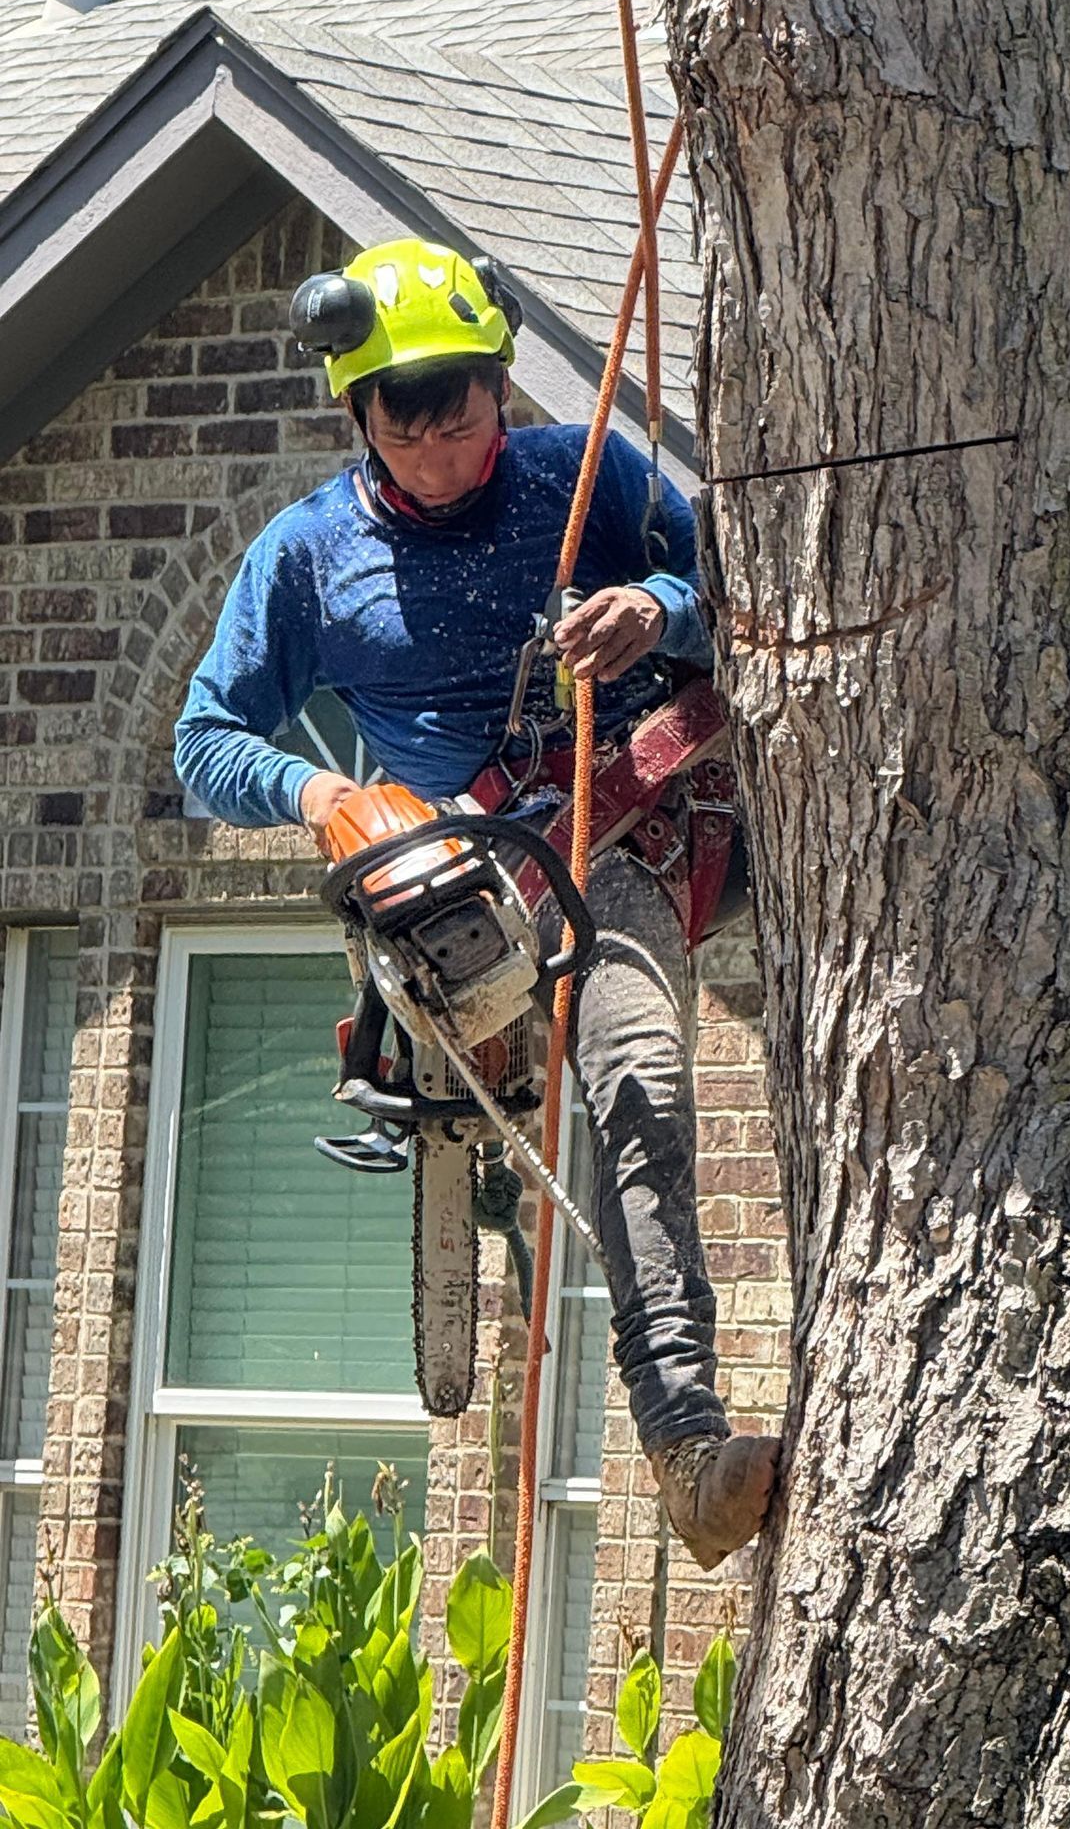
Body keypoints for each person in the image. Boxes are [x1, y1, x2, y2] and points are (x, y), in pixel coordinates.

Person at [174, 237, 779, 1569]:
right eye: (411, 402)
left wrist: (655, 610)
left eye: (467, 389)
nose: (446, 424)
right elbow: (206, 739)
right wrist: (325, 794)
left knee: (638, 1080)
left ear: (503, 381)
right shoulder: (311, 557)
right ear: (357, 407)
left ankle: (682, 1444)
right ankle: (441, 1063)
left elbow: (745, 594)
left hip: (632, 828)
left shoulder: (587, 477)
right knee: (427, 886)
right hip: (472, 867)